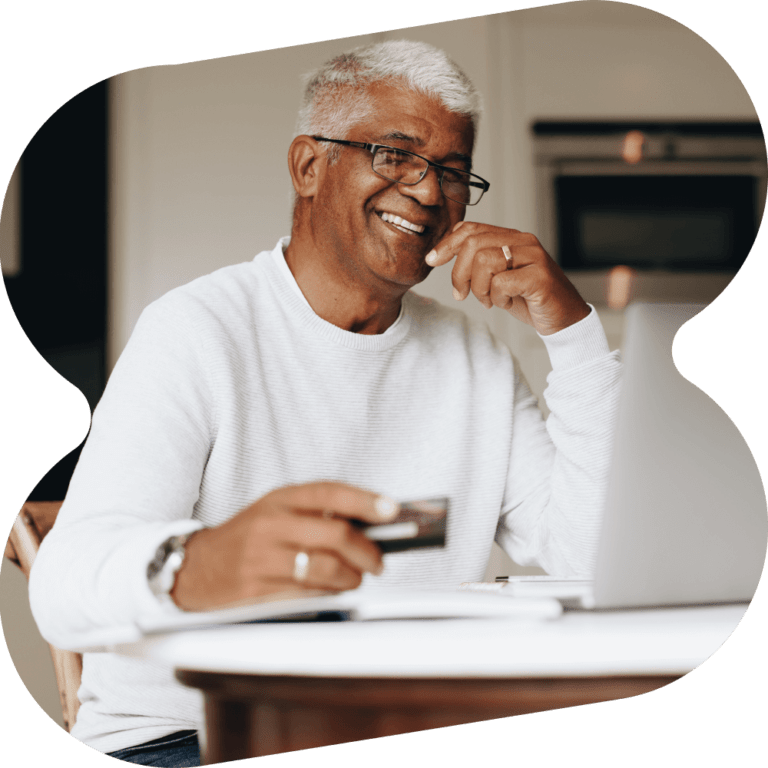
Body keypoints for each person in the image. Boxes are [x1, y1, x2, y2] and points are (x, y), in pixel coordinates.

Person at [29, 40, 621, 766]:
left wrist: (575, 332)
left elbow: (598, 559)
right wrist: (202, 564)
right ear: (309, 166)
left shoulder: (476, 357)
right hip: (189, 738)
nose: (431, 193)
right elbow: (63, 586)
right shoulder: (197, 330)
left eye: (454, 172)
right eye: (396, 156)